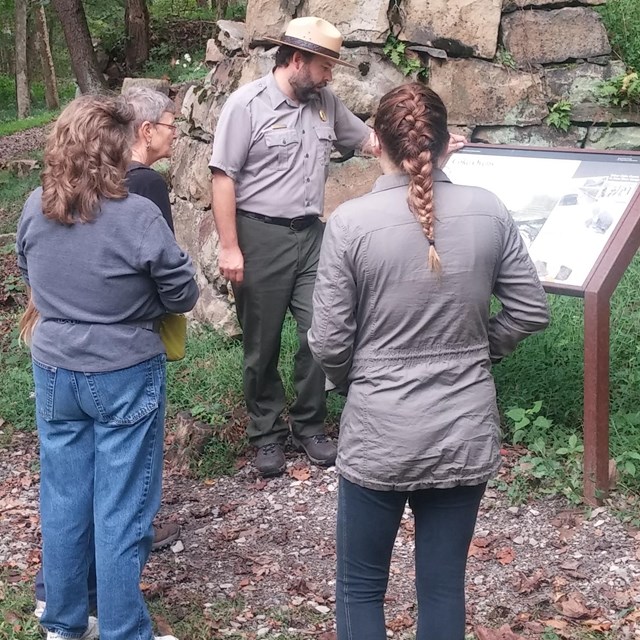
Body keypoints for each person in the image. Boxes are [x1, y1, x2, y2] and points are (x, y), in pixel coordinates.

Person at [308, 83, 550, 640]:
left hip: (379, 427)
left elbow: (328, 340)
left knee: (360, 585)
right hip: (461, 426)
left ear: (379, 145)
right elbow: (530, 310)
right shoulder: (488, 209)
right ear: (447, 144)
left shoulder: (350, 223)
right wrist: (481, 350)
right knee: (443, 586)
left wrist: (354, 379)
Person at [16, 94, 199, 640]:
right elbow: (182, 292)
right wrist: (134, 305)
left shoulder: (35, 206)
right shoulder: (136, 215)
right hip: (122, 370)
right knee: (121, 508)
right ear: (112, 147)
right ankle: (123, 631)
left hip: (54, 369)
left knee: (64, 500)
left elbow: (29, 269)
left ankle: (65, 624)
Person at [209, 16, 372, 477]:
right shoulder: (246, 105)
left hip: (312, 234)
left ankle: (309, 424)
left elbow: (371, 142)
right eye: (324, 66)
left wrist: (430, 147)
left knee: (322, 331)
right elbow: (223, 178)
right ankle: (265, 434)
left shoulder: (326, 104)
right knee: (261, 344)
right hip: (259, 234)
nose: (329, 76)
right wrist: (229, 246)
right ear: (296, 61)